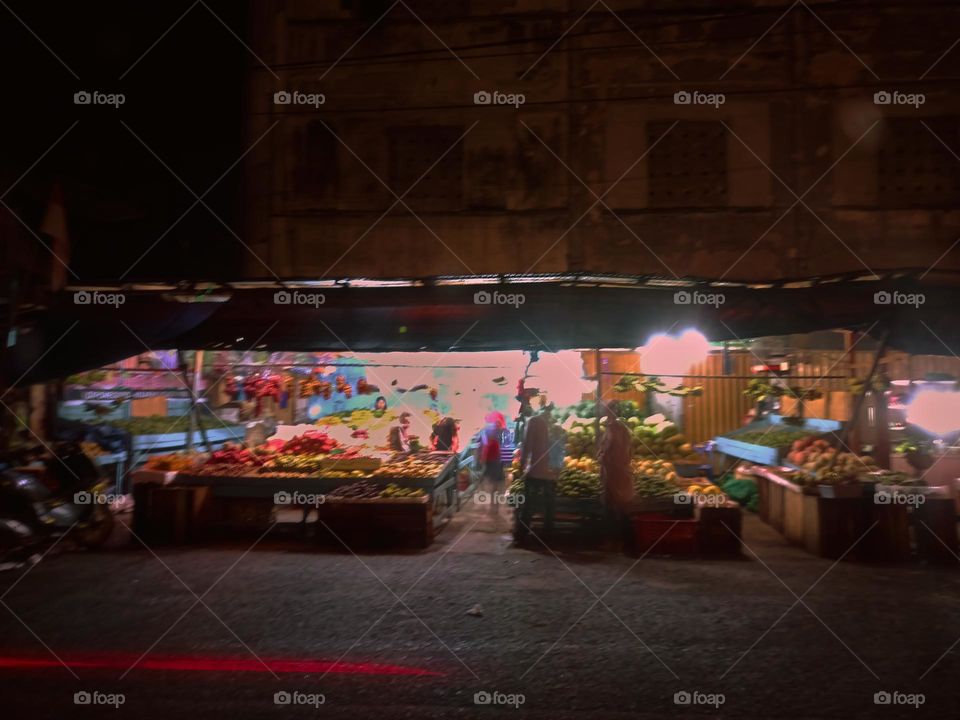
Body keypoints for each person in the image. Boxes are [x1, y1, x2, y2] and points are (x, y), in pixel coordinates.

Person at [516, 404, 558, 540]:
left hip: (536, 470)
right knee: (549, 504)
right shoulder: (552, 422)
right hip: (551, 471)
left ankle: (522, 533)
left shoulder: (533, 422)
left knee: (529, 503)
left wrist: (522, 466)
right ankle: (548, 534)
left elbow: (527, 445)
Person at [598, 402, 634, 546]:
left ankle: (614, 540)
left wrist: (601, 457)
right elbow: (629, 451)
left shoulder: (613, 429)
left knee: (612, 507)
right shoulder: (622, 428)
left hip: (613, 473)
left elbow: (608, 450)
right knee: (623, 506)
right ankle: (625, 541)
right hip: (622, 472)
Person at [477, 414, 505, 514]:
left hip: (492, 461)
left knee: (492, 483)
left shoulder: (490, 437)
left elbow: (485, 448)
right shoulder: (493, 439)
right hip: (493, 461)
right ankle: (494, 505)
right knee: (493, 484)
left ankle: (493, 505)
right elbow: (487, 448)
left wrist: (482, 458)